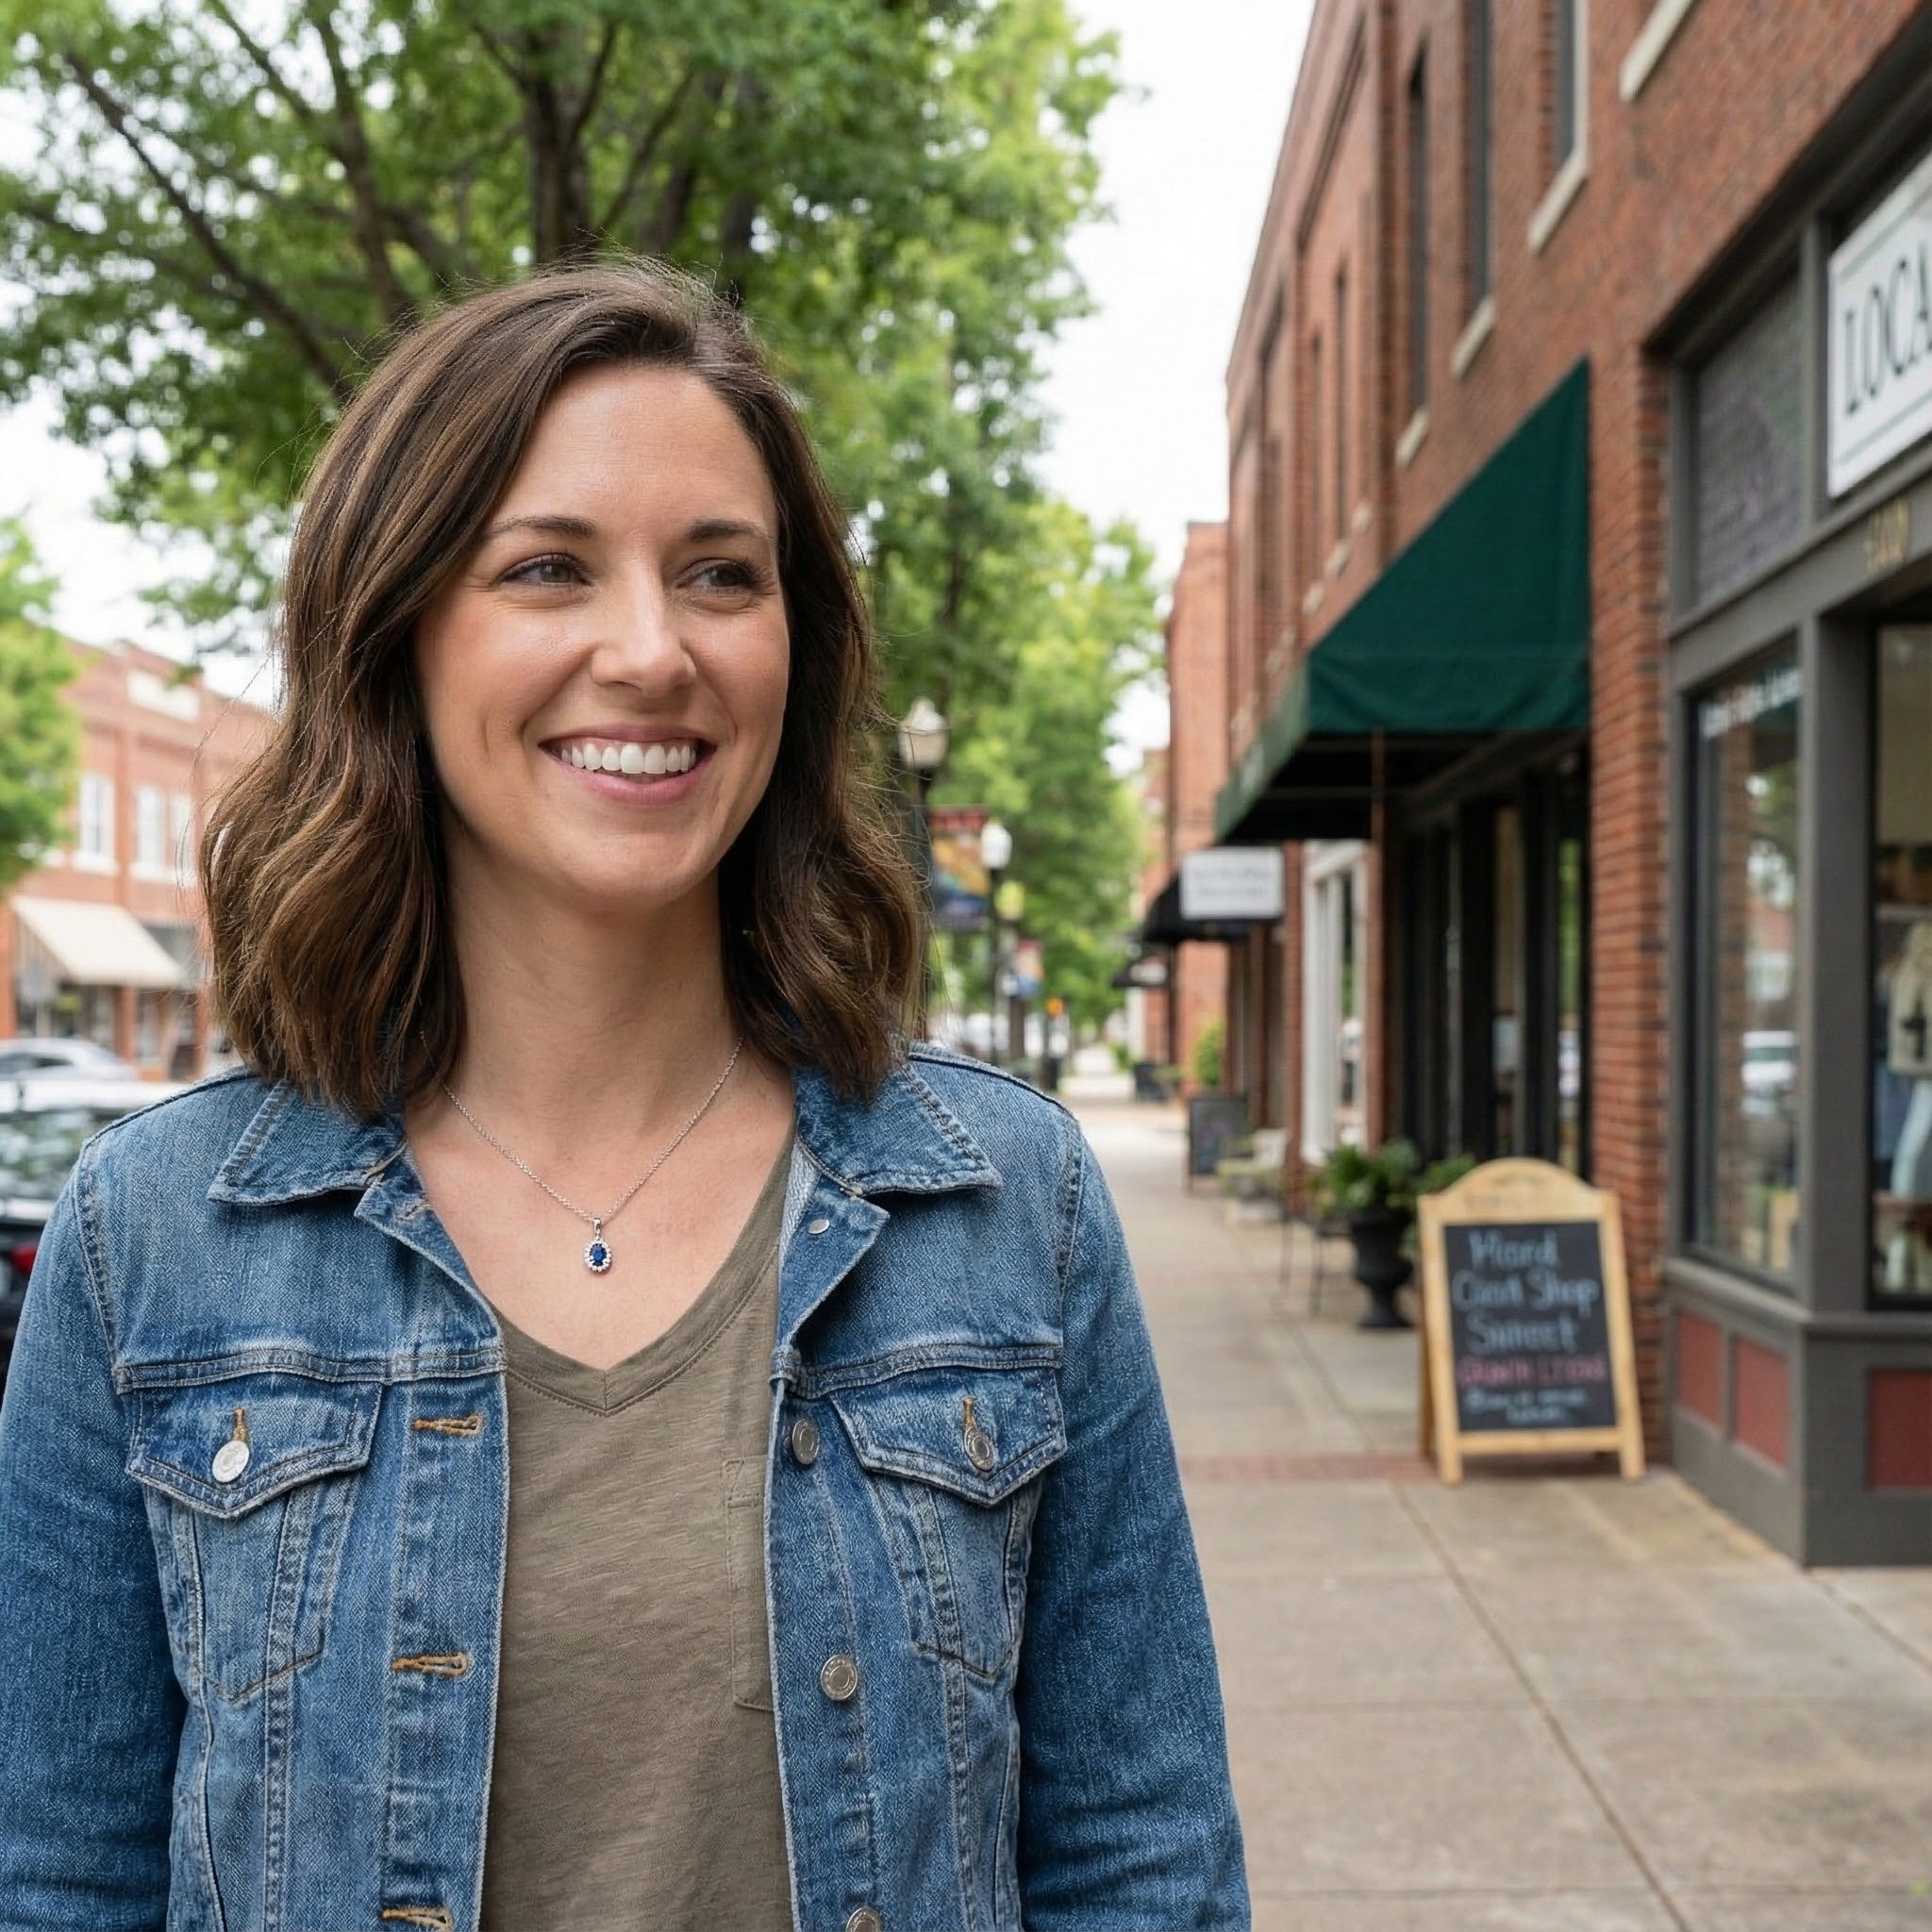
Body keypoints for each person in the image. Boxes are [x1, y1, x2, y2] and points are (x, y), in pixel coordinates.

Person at [0, 262, 1247, 1930]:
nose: (653, 651)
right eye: (548, 569)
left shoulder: (1008, 1206)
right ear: (398, 633)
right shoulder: (151, 1239)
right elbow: (56, 1877)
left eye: (722, 574)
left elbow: (1141, 1863)